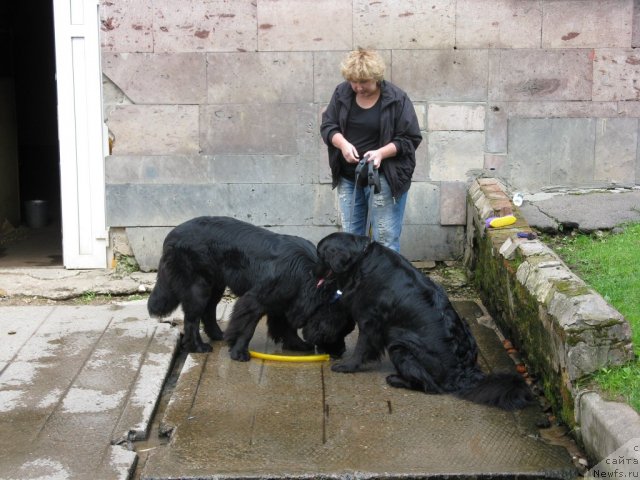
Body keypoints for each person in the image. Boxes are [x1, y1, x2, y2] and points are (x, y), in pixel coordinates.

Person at [320, 48, 422, 253]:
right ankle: (355, 284)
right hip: (350, 178)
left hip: (385, 177)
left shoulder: (396, 98)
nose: (358, 87)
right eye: (353, 81)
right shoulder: (342, 93)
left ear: (376, 77)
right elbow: (328, 126)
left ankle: (385, 284)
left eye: (364, 82)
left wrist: (381, 153)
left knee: (385, 241)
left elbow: (410, 138)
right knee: (350, 240)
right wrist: (343, 144)